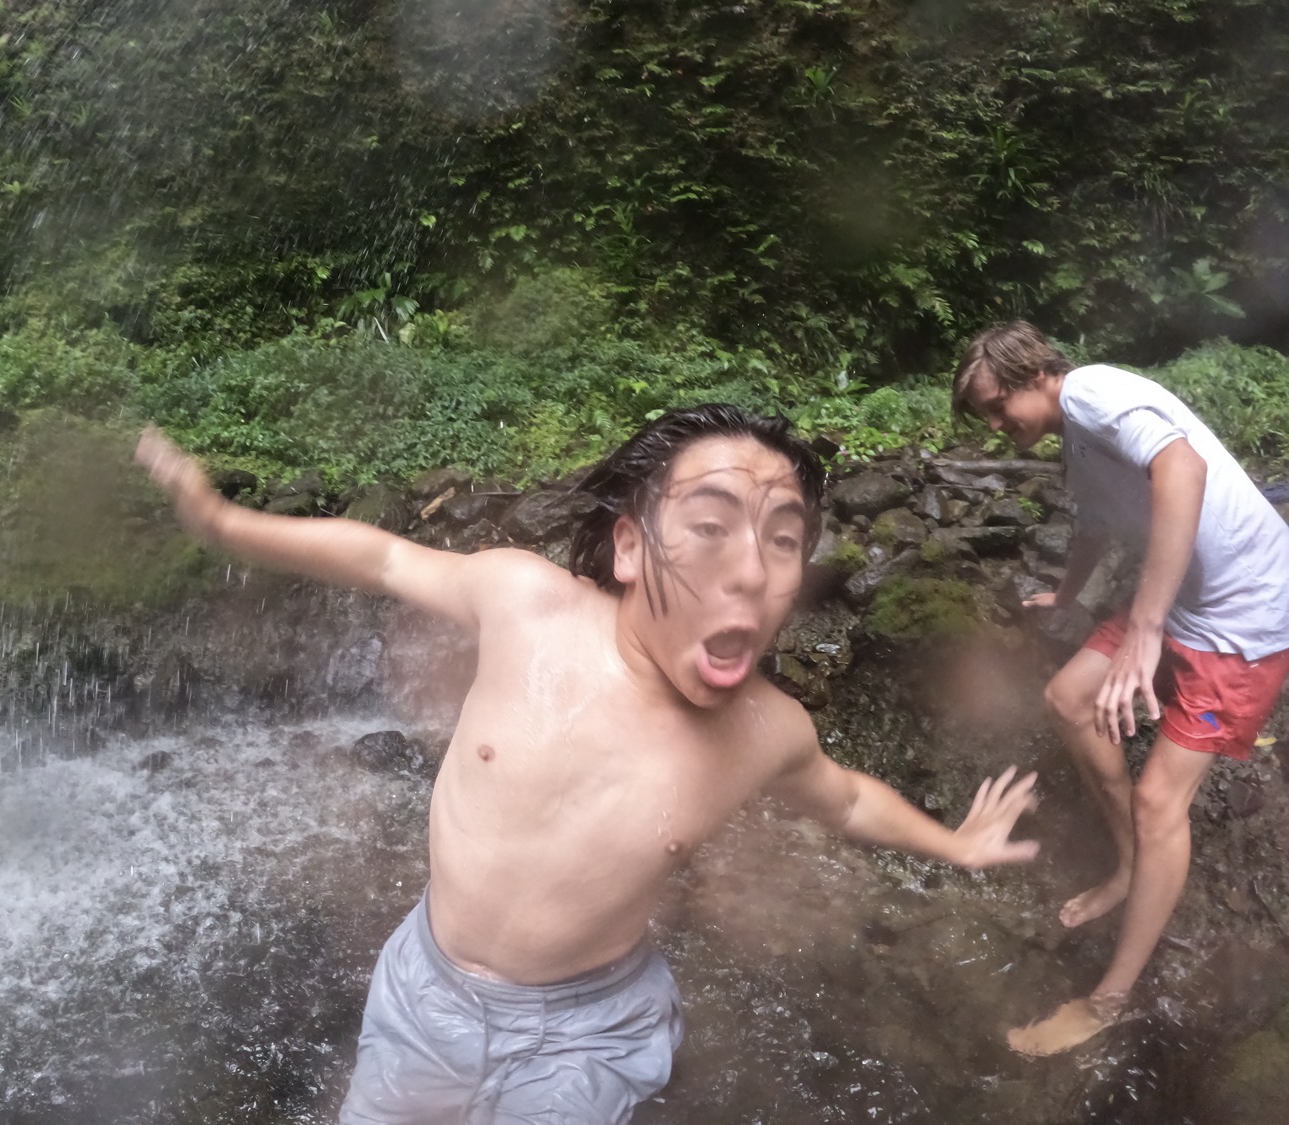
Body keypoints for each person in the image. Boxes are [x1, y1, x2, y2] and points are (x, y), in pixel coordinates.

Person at [136, 404, 1039, 1123]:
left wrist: (954, 844)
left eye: (782, 540)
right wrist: (223, 521)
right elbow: (382, 557)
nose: (750, 571)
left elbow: (844, 799)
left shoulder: (765, 730)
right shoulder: (525, 604)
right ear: (630, 545)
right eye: (710, 526)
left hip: (590, 1028)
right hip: (426, 990)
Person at [951, 321, 1289, 1057]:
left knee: (1160, 800)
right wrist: (1068, 595)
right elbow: (1097, 527)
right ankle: (1132, 865)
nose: (997, 425)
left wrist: (1146, 626)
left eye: (999, 406)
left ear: (1036, 373)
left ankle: (1109, 1001)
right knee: (1069, 699)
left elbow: (1183, 467)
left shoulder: (1094, 391)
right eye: (986, 416)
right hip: (1181, 602)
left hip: (1243, 619)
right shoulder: (1078, 439)